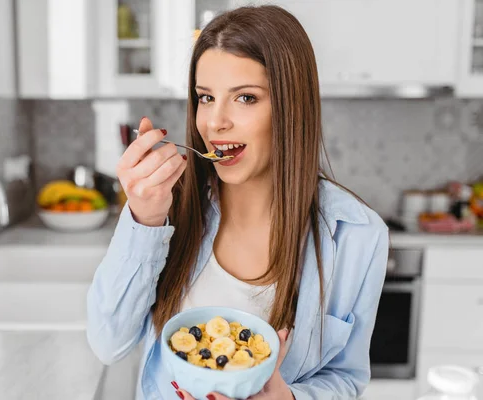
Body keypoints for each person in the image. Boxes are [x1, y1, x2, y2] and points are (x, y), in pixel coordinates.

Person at [87, 5, 389, 400]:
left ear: (290, 106)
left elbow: (346, 377)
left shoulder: (359, 236)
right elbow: (109, 343)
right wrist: (144, 220)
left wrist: (290, 399)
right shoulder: (169, 209)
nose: (215, 122)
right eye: (206, 98)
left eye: (245, 98)